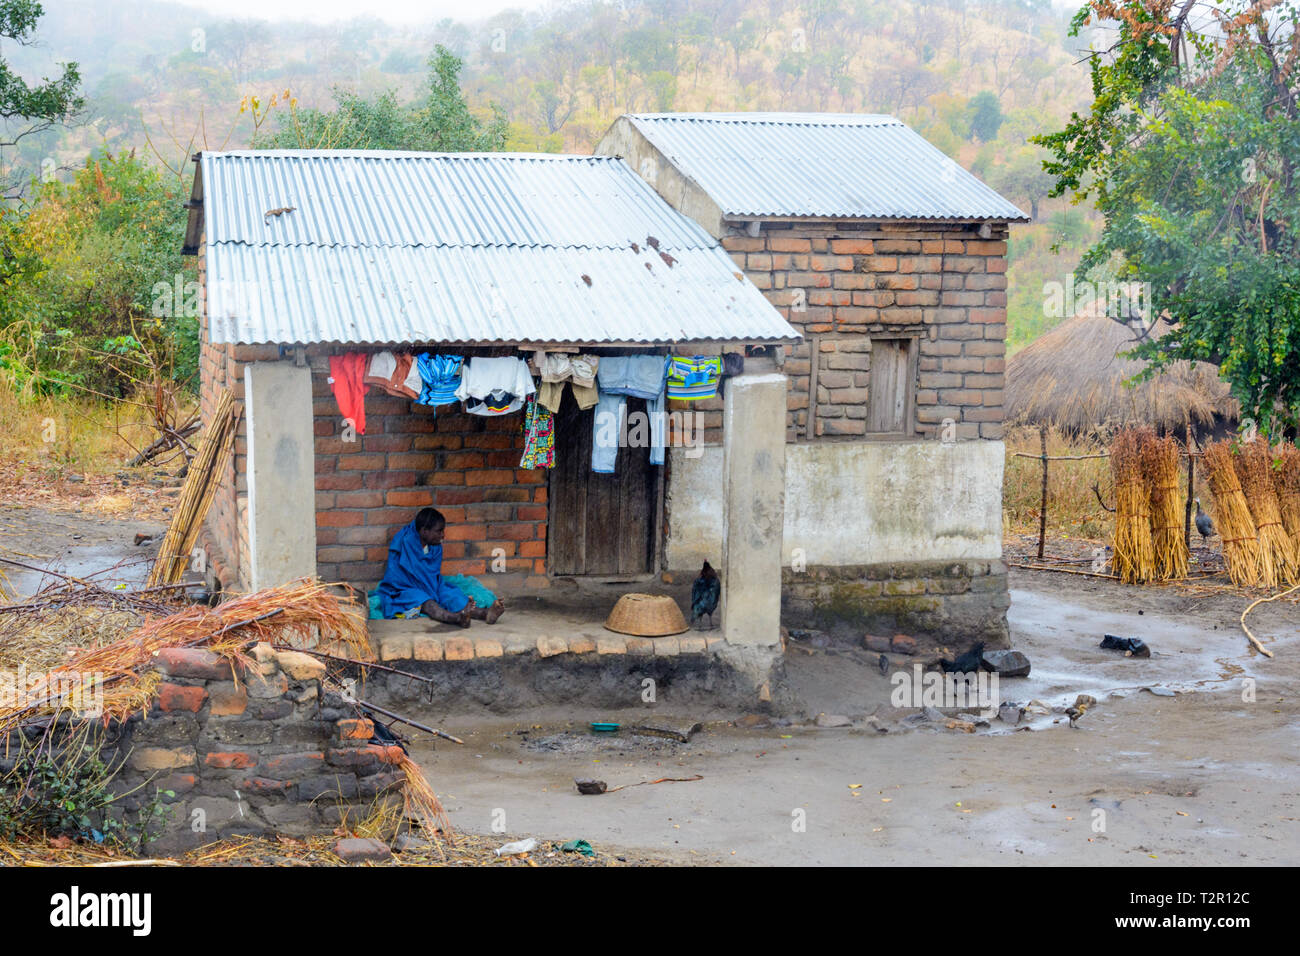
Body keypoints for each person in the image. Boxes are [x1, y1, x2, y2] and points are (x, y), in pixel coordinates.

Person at [376, 508, 505, 626]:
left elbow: (432, 574)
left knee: (452, 595)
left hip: (432, 584)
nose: (443, 535)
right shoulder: (404, 542)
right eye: (439, 531)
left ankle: (485, 613)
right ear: (424, 530)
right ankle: (456, 618)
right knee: (427, 602)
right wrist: (427, 591)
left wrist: (434, 590)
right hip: (404, 589)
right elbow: (395, 576)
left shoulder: (435, 546)